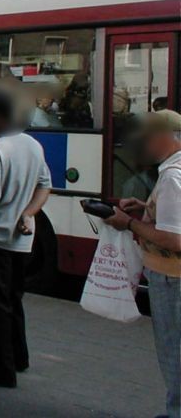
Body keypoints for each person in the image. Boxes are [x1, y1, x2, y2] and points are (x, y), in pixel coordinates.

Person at [0, 87, 51, 388]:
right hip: (22, 241)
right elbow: (45, 186)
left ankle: (1, 370)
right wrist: (28, 213)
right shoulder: (32, 144)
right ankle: (19, 357)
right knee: (14, 300)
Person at [104, 109, 181, 418]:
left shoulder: (173, 177)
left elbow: (175, 240)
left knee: (173, 351)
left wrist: (129, 224)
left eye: (147, 137)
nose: (144, 145)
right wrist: (146, 207)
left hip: (172, 280)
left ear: (165, 137)